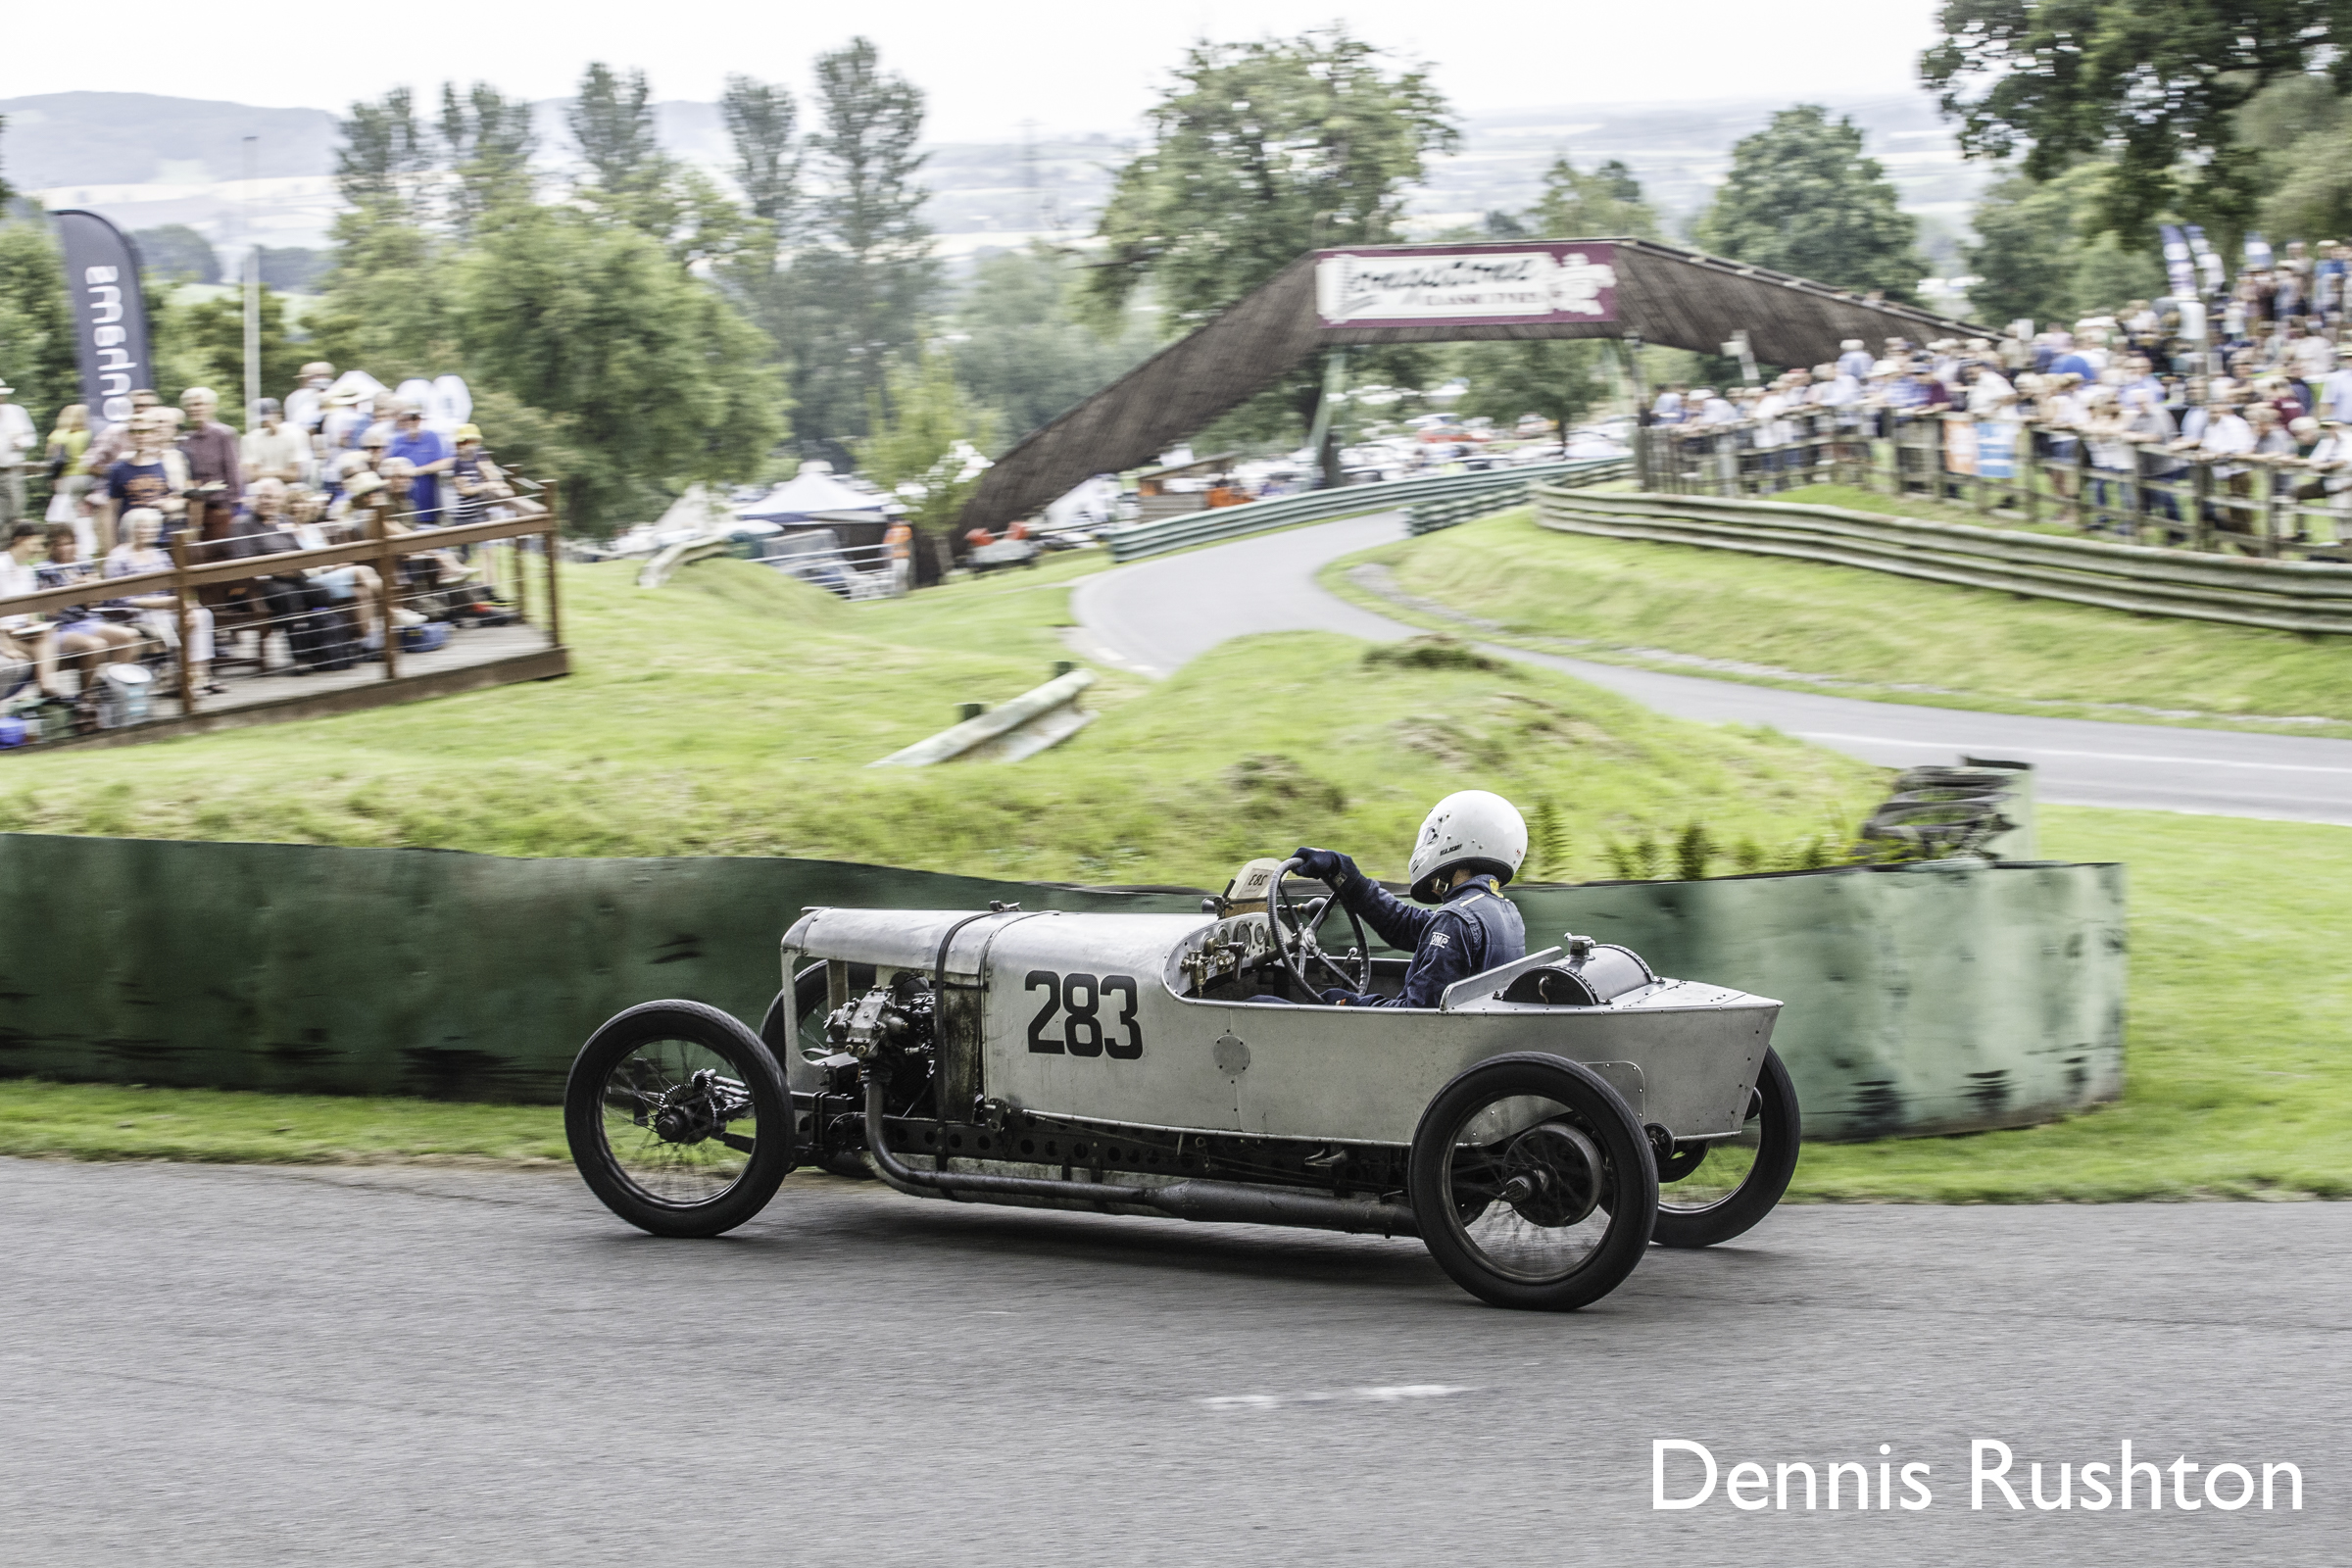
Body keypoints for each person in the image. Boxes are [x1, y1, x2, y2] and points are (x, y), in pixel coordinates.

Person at [1286, 791, 1530, 1008]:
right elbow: (1401, 924)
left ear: (1457, 840)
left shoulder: (1456, 920)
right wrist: (1342, 871)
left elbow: (1414, 1015)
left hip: (1417, 1047)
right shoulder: (1503, 912)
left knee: (1258, 1003)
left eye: (1434, 835)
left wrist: (1347, 1002)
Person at [104, 508, 219, 692]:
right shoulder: (118, 557)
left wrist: (186, 605)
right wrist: (165, 604)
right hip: (137, 614)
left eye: (152, 527)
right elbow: (118, 600)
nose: (147, 531)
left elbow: (176, 587)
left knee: (202, 615)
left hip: (167, 607)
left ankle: (200, 675)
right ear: (130, 528)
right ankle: (183, 678)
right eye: (142, 527)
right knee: (177, 620)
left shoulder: (160, 555)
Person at [176, 387, 245, 547]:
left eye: (200, 404)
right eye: (191, 405)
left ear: (211, 407)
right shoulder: (185, 438)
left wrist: (231, 506)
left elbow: (233, 472)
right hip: (194, 511)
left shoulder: (224, 434)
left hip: (219, 507)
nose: (195, 409)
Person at [384, 403, 453, 524]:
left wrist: (416, 471)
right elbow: (387, 470)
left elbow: (447, 462)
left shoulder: (432, 437)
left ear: (421, 419)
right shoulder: (395, 441)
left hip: (430, 503)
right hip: (405, 506)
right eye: (408, 418)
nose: (412, 422)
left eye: (415, 418)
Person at [0, 380, 36, 528]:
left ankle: (8, 547)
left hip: (12, 471)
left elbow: (31, 438)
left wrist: (22, 443)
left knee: (15, 511)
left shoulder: (17, 412)